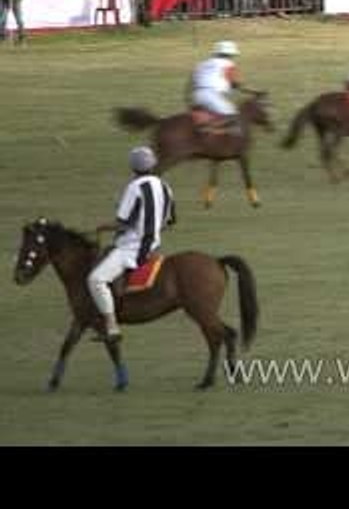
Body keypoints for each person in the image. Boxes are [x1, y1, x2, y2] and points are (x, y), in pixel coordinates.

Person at [87, 146, 176, 341]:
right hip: (154, 246)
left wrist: (101, 227)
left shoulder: (134, 187)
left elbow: (123, 222)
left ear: (133, 167)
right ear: (152, 164)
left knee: (96, 280)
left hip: (131, 248)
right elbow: (169, 222)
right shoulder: (165, 187)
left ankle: (111, 326)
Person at [188, 40, 253, 135]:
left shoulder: (201, 64)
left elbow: (192, 83)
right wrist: (252, 91)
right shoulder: (228, 64)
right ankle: (211, 130)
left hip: (196, 95)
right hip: (211, 95)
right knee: (233, 115)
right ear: (230, 54)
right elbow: (235, 84)